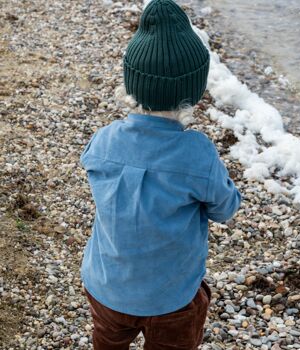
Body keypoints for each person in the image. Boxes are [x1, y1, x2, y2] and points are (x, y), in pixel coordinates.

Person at [80, 0, 242, 349]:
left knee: (107, 342)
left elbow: (96, 173)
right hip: (172, 298)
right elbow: (225, 208)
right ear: (194, 91)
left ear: (132, 84)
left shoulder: (104, 139)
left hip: (106, 286)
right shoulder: (197, 152)